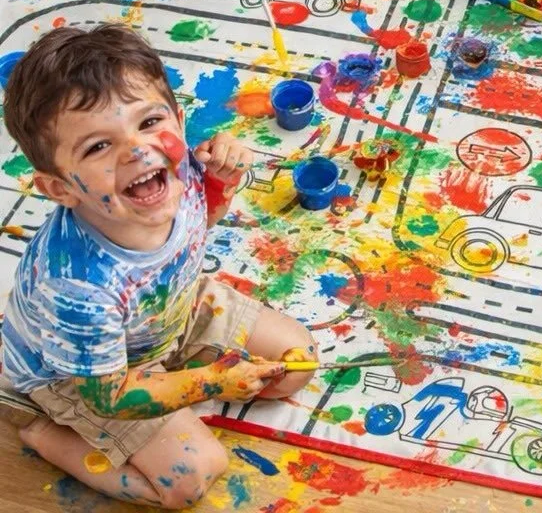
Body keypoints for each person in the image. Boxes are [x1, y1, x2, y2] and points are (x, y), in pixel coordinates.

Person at [0, 26, 315, 506]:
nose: (136, 149)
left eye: (149, 122)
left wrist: (219, 181)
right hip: (83, 376)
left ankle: (173, 373)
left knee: (298, 361)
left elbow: (200, 221)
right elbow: (108, 397)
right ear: (60, 189)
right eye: (97, 147)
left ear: (179, 120)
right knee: (190, 478)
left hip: (171, 309)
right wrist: (210, 382)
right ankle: (47, 433)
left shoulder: (171, 168)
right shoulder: (76, 286)